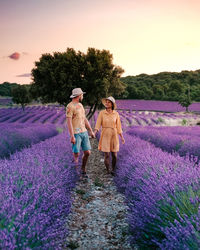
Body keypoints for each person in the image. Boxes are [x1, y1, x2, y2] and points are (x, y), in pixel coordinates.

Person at [66, 88, 95, 179]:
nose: (82, 96)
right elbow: (69, 122)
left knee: (87, 152)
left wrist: (90, 130)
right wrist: (72, 136)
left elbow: (84, 118)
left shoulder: (81, 105)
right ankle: (75, 173)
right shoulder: (70, 106)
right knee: (76, 154)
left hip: (84, 132)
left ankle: (83, 169)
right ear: (78, 96)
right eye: (82, 95)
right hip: (76, 133)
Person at [94, 96, 125, 176]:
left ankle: (113, 170)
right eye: (106, 102)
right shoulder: (102, 113)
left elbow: (119, 126)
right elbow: (98, 124)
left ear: (112, 104)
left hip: (114, 135)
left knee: (114, 155)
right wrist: (95, 132)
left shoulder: (116, 114)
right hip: (105, 134)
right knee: (107, 154)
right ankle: (108, 170)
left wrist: (121, 137)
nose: (107, 103)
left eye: (109, 102)